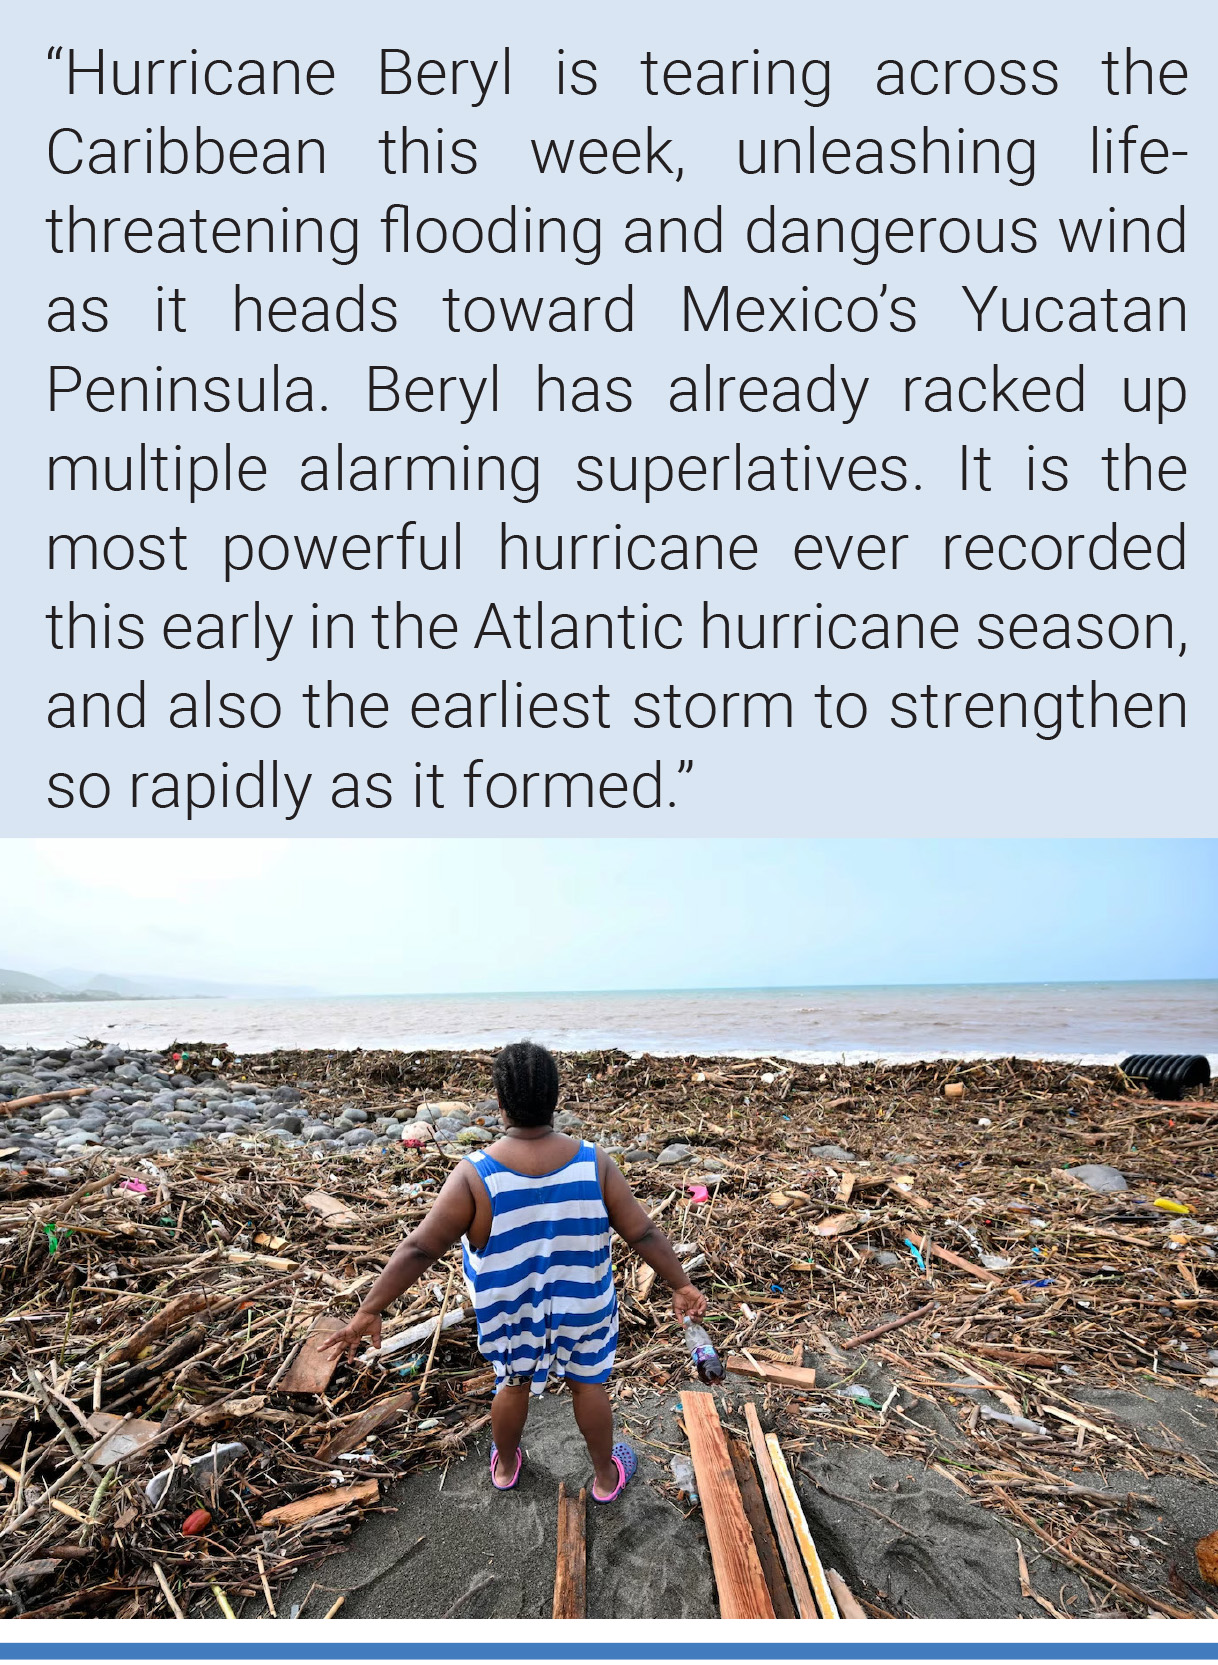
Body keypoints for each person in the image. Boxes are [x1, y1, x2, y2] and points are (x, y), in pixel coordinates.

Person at [321, 1040, 707, 1502]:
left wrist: (370, 1309)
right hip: (583, 1303)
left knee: (513, 1382)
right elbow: (642, 1233)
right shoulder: (593, 1162)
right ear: (555, 1098)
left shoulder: (475, 1175)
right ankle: (606, 1476)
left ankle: (505, 1465)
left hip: (512, 1310)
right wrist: (680, 1284)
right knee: (589, 1385)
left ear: (500, 1102)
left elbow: (421, 1248)